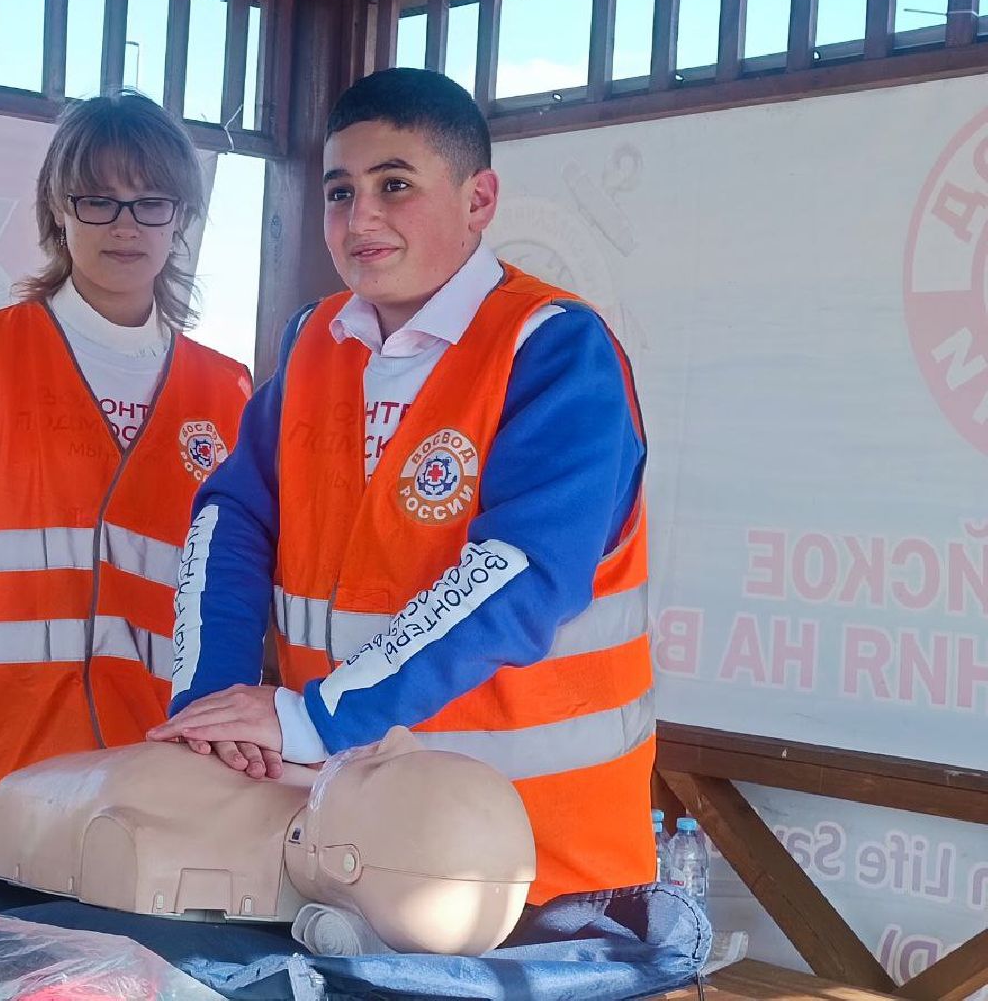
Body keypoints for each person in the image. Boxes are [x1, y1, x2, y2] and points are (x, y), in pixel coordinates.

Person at [151, 67, 654, 905]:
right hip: (339, 845)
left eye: (395, 185)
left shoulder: (554, 348)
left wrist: (310, 718)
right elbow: (232, 517)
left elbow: (519, 575)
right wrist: (215, 710)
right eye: (339, 192)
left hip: (536, 872)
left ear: (478, 199)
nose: (361, 218)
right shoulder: (314, 340)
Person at [0, 90, 252, 832]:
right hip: (1, 782)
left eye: (150, 202)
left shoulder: (230, 391)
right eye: (98, 201)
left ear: (180, 217)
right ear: (58, 210)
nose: (125, 225)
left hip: (163, 788)